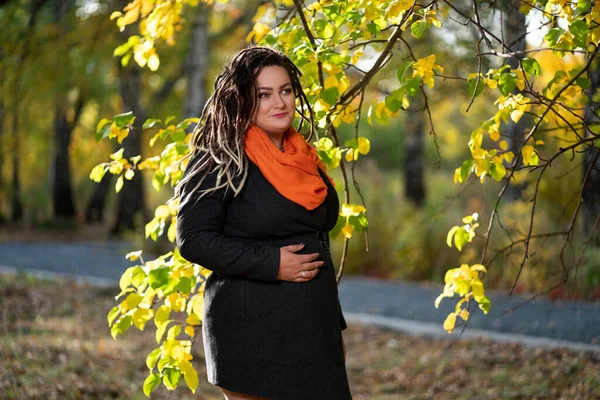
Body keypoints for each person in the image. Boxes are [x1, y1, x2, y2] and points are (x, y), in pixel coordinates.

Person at [175, 45, 352, 400]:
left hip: (312, 326)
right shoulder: (220, 158)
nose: (280, 103)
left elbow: (319, 236)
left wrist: (332, 323)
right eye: (264, 95)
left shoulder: (303, 156)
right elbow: (192, 239)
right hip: (250, 330)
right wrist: (272, 263)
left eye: (285, 90)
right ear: (241, 99)